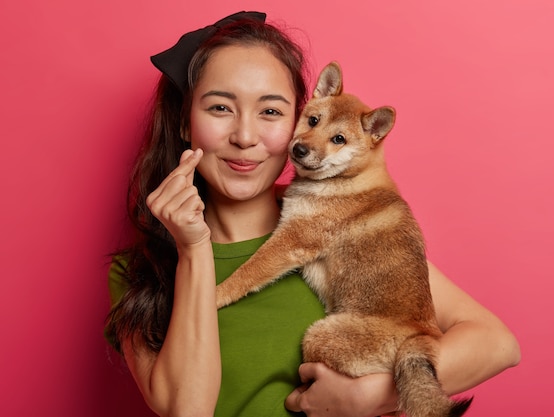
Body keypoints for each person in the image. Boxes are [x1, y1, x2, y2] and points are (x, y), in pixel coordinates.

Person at [105, 10, 520, 417]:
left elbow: (497, 343)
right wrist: (194, 248)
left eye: (271, 111)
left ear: (294, 122)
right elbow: (187, 409)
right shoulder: (138, 273)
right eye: (220, 108)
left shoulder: (351, 224)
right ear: (184, 123)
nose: (246, 137)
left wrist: (374, 395)